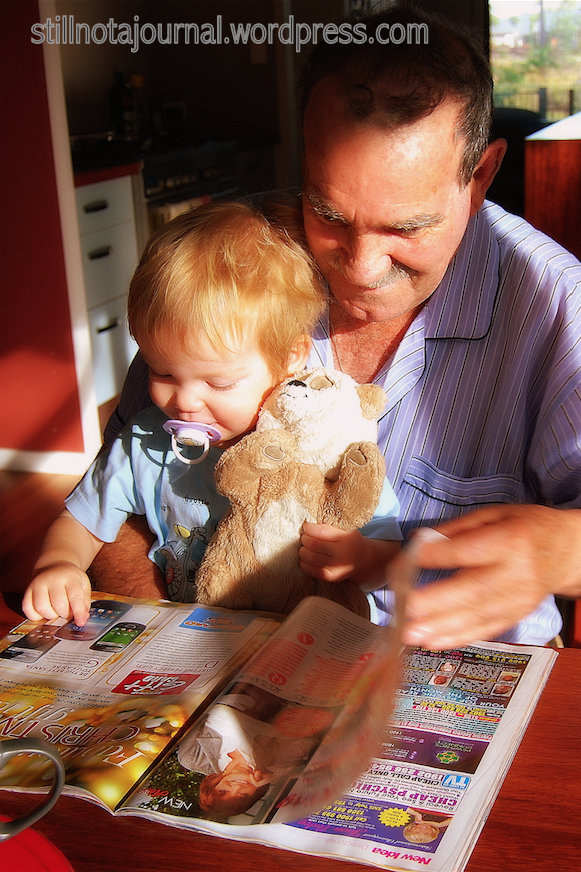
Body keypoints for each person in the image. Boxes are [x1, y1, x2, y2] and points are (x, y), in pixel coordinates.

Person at [89, 4, 581, 648]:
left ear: (480, 176)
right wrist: (179, 648)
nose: (360, 266)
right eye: (327, 212)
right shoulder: (231, 269)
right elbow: (119, 495)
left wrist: (562, 549)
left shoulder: (553, 306)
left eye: (406, 227)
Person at [22, 201, 401, 627]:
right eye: (161, 371)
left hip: (300, 642)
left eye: (218, 384)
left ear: (289, 358)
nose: (185, 400)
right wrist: (60, 564)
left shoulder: (321, 443)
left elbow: (390, 550)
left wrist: (363, 557)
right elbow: (82, 521)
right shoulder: (145, 442)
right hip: (191, 644)